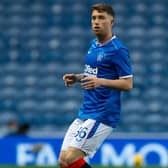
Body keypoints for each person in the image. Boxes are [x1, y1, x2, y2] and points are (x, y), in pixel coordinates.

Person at [58, 3, 133, 168]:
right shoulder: (93, 45)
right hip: (86, 111)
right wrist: (77, 77)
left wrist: (101, 82)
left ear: (111, 22)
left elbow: (128, 84)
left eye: (101, 18)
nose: (96, 22)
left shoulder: (118, 50)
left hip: (103, 113)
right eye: (93, 18)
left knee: (70, 159)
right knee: (63, 161)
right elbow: (95, 74)